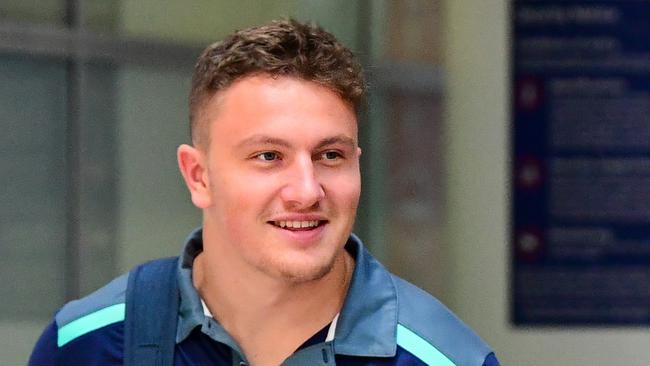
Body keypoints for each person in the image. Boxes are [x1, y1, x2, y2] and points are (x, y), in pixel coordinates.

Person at [29, 19, 500, 366]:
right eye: (269, 156)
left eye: (330, 155)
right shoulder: (86, 345)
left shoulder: (445, 360)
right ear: (198, 176)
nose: (306, 190)